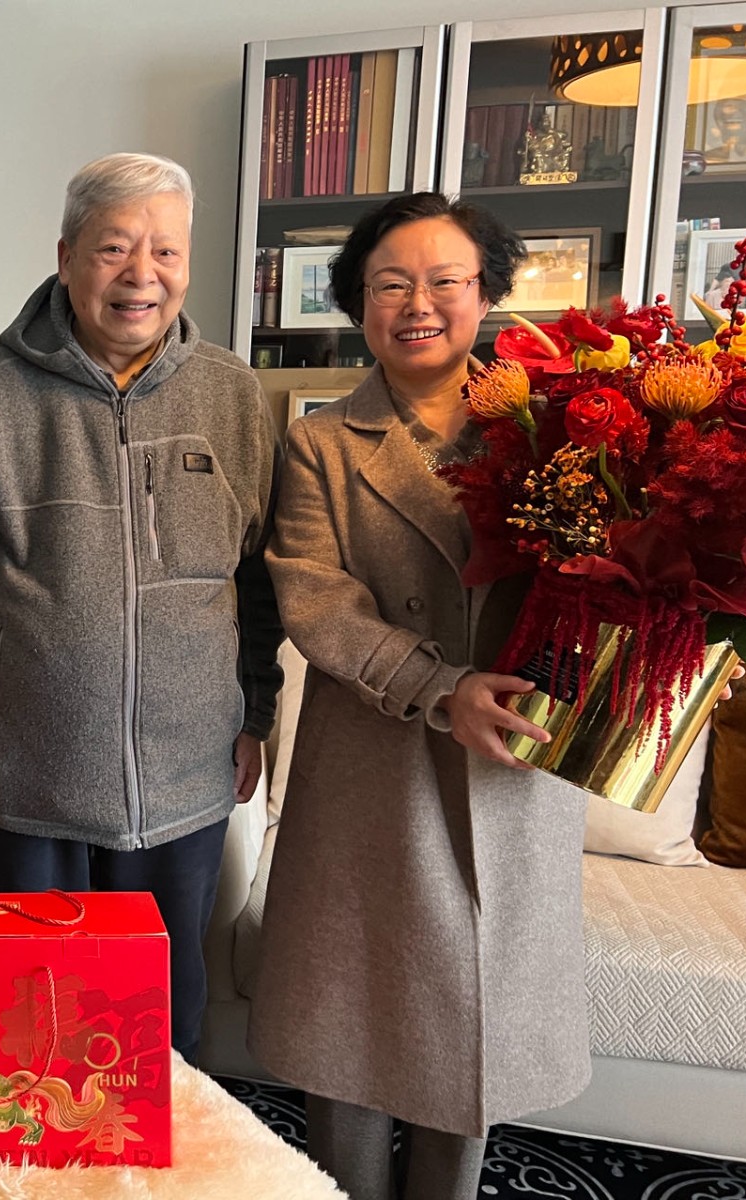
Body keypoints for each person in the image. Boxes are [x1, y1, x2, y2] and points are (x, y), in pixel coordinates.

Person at [0, 153, 285, 1064]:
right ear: (67, 257)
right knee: (33, 1035)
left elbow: (260, 579)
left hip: (186, 783)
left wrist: (256, 715)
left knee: (163, 1032)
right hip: (24, 786)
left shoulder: (230, 395)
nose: (142, 274)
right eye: (114, 248)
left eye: (166, 251)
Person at [248, 192, 585, 1200]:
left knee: (470, 1022)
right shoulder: (320, 443)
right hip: (374, 760)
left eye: (445, 281)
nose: (419, 304)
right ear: (358, 303)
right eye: (391, 284)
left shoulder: (556, 429)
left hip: (512, 757)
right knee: (350, 1023)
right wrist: (442, 688)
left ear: (487, 293)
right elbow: (318, 603)